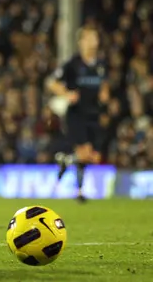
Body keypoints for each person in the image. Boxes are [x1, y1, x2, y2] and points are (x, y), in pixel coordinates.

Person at [48, 26, 109, 202]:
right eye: (90, 38)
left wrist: (104, 95)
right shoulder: (73, 64)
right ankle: (80, 191)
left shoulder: (100, 64)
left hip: (94, 114)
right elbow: (52, 82)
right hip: (76, 115)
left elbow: (103, 84)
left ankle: (65, 161)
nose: (94, 41)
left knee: (93, 156)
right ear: (81, 42)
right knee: (84, 152)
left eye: (95, 37)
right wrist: (67, 94)